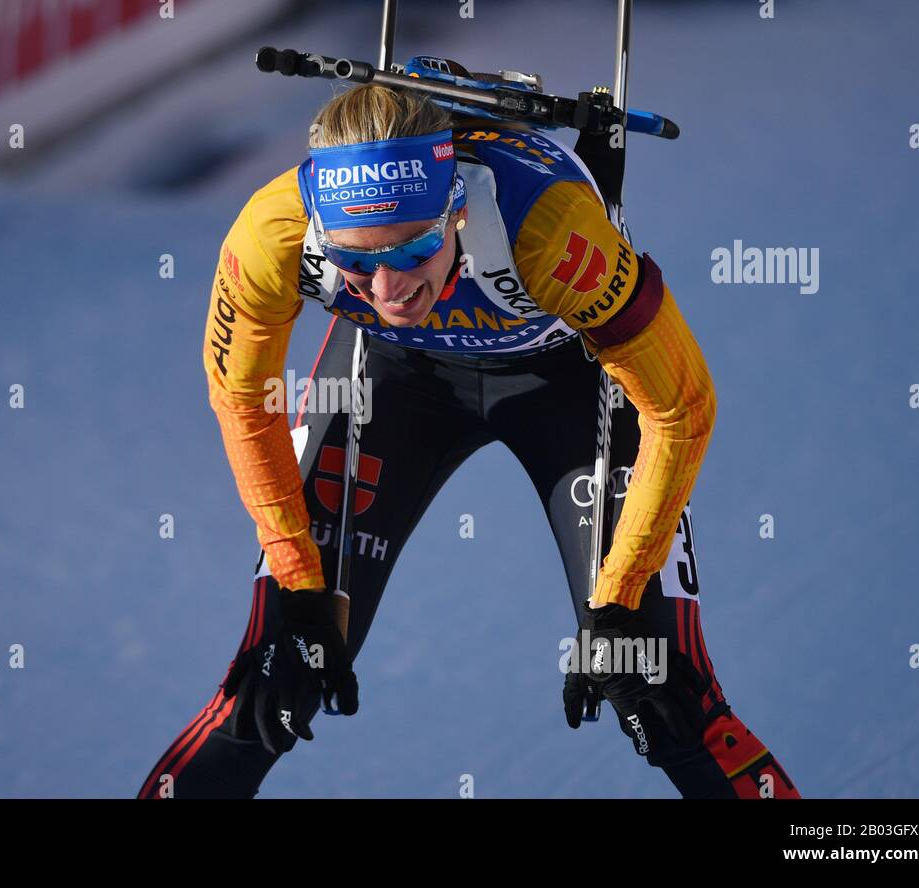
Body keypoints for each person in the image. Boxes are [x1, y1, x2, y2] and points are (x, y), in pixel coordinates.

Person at [137, 83, 800, 799]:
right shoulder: (273, 232)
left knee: (655, 681)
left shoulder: (549, 232)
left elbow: (682, 406)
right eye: (356, 262)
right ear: (323, 232)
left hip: (569, 381)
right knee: (274, 679)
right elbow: (241, 402)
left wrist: (616, 600)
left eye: (416, 246)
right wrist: (299, 584)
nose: (390, 287)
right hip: (394, 379)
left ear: (456, 209)